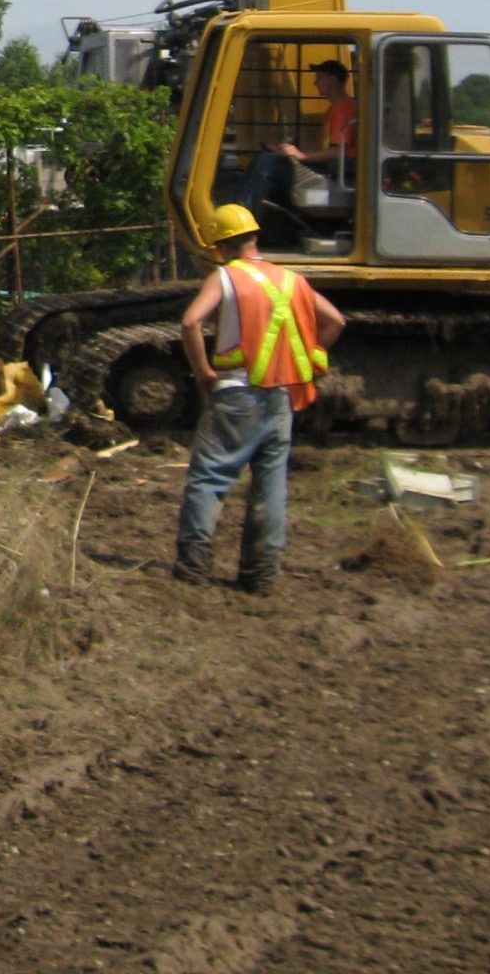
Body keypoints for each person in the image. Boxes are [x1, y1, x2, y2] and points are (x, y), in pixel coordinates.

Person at [172, 202, 346, 593]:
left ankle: (193, 566)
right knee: (270, 483)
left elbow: (190, 322)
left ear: (220, 246)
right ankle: (260, 574)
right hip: (281, 398)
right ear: (255, 237)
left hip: (235, 392)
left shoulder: (225, 277)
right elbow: (336, 321)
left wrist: (203, 372)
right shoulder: (292, 279)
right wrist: (311, 357)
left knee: (210, 477)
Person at [234, 58, 357, 226]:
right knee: (266, 158)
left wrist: (301, 155)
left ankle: (241, 219)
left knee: (266, 164)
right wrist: (286, 150)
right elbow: (320, 147)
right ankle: (240, 211)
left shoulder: (344, 110)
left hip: (333, 171)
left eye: (319, 77)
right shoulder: (334, 109)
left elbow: (339, 152)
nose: (315, 82)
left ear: (334, 79)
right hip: (326, 166)